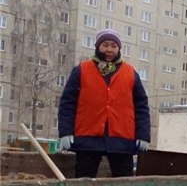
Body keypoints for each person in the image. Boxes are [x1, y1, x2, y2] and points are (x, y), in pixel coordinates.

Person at [58, 28, 150, 178]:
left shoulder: (130, 73)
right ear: (98, 46)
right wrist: (65, 132)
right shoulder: (81, 70)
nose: (109, 49)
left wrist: (143, 135)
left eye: (114, 46)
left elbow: (141, 106)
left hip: (122, 140)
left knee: (123, 182)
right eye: (105, 45)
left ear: (119, 48)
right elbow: (68, 103)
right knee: (83, 179)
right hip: (88, 138)